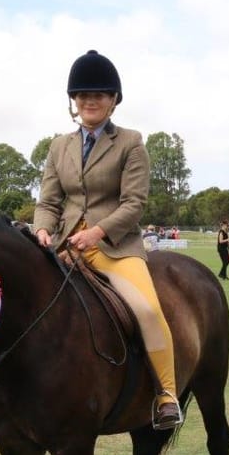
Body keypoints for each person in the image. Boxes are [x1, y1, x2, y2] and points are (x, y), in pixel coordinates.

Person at [33, 49, 182, 430]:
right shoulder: (58, 147)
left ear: (114, 100)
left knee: (147, 310)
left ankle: (166, 395)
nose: (90, 100)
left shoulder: (131, 142)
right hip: (65, 248)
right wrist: (42, 229)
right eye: (82, 95)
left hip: (114, 247)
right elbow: (49, 200)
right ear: (74, 101)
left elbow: (134, 203)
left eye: (99, 94)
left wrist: (98, 232)